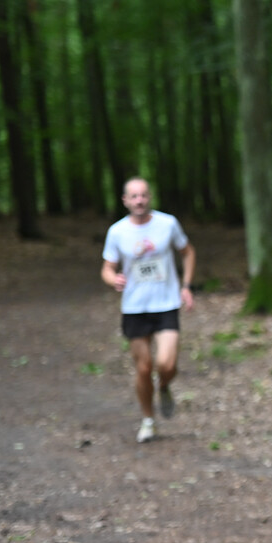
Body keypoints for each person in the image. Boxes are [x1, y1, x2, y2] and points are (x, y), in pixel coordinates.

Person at [101, 177, 196, 444]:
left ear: (149, 197)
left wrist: (186, 286)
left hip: (166, 304)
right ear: (125, 201)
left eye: (143, 195)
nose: (139, 200)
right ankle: (148, 420)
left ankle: (164, 386)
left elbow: (188, 252)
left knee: (166, 364)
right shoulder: (117, 232)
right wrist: (113, 279)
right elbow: (107, 268)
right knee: (143, 368)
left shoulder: (167, 224)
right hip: (134, 308)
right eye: (133, 196)